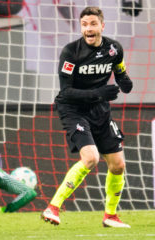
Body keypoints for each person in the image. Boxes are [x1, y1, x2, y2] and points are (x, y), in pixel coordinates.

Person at [41, 6, 133, 228]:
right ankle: (52, 207)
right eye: (84, 25)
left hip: (99, 110)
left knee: (118, 165)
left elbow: (120, 71)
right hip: (73, 109)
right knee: (91, 158)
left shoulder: (114, 49)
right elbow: (65, 91)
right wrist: (99, 93)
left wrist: (125, 82)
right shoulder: (71, 53)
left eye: (93, 24)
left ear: (102, 25)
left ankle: (110, 215)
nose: (88, 29)